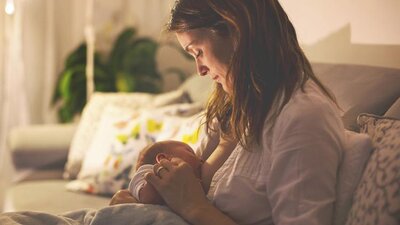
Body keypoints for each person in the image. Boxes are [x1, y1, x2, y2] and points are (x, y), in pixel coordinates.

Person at [111, 0, 346, 224]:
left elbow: (190, 201)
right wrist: (137, 204)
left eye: (198, 51)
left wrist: (195, 207)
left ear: (235, 29)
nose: (200, 70)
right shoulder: (230, 108)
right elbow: (181, 191)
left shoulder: (303, 118)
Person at [127, 140, 203, 205]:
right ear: (163, 159)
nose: (200, 159)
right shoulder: (145, 172)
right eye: (190, 151)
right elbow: (146, 197)